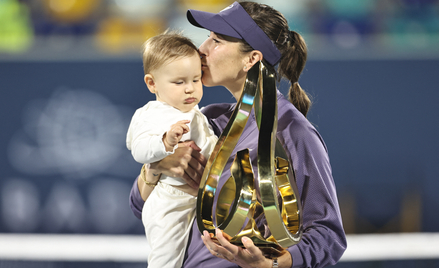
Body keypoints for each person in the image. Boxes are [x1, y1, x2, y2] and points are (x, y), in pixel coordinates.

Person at [129, 2, 347, 267]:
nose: (202, 50)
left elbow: (328, 236)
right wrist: (156, 169)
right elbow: (140, 206)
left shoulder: (293, 131)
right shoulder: (207, 118)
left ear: (251, 59)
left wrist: (271, 265)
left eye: (216, 40)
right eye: (207, 38)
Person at [126, 31, 218, 268]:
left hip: (197, 200)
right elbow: (138, 149)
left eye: (196, 79)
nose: (190, 89)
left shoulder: (198, 113)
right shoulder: (151, 114)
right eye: (179, 82)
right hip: (169, 201)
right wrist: (165, 143)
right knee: (166, 259)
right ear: (152, 83)